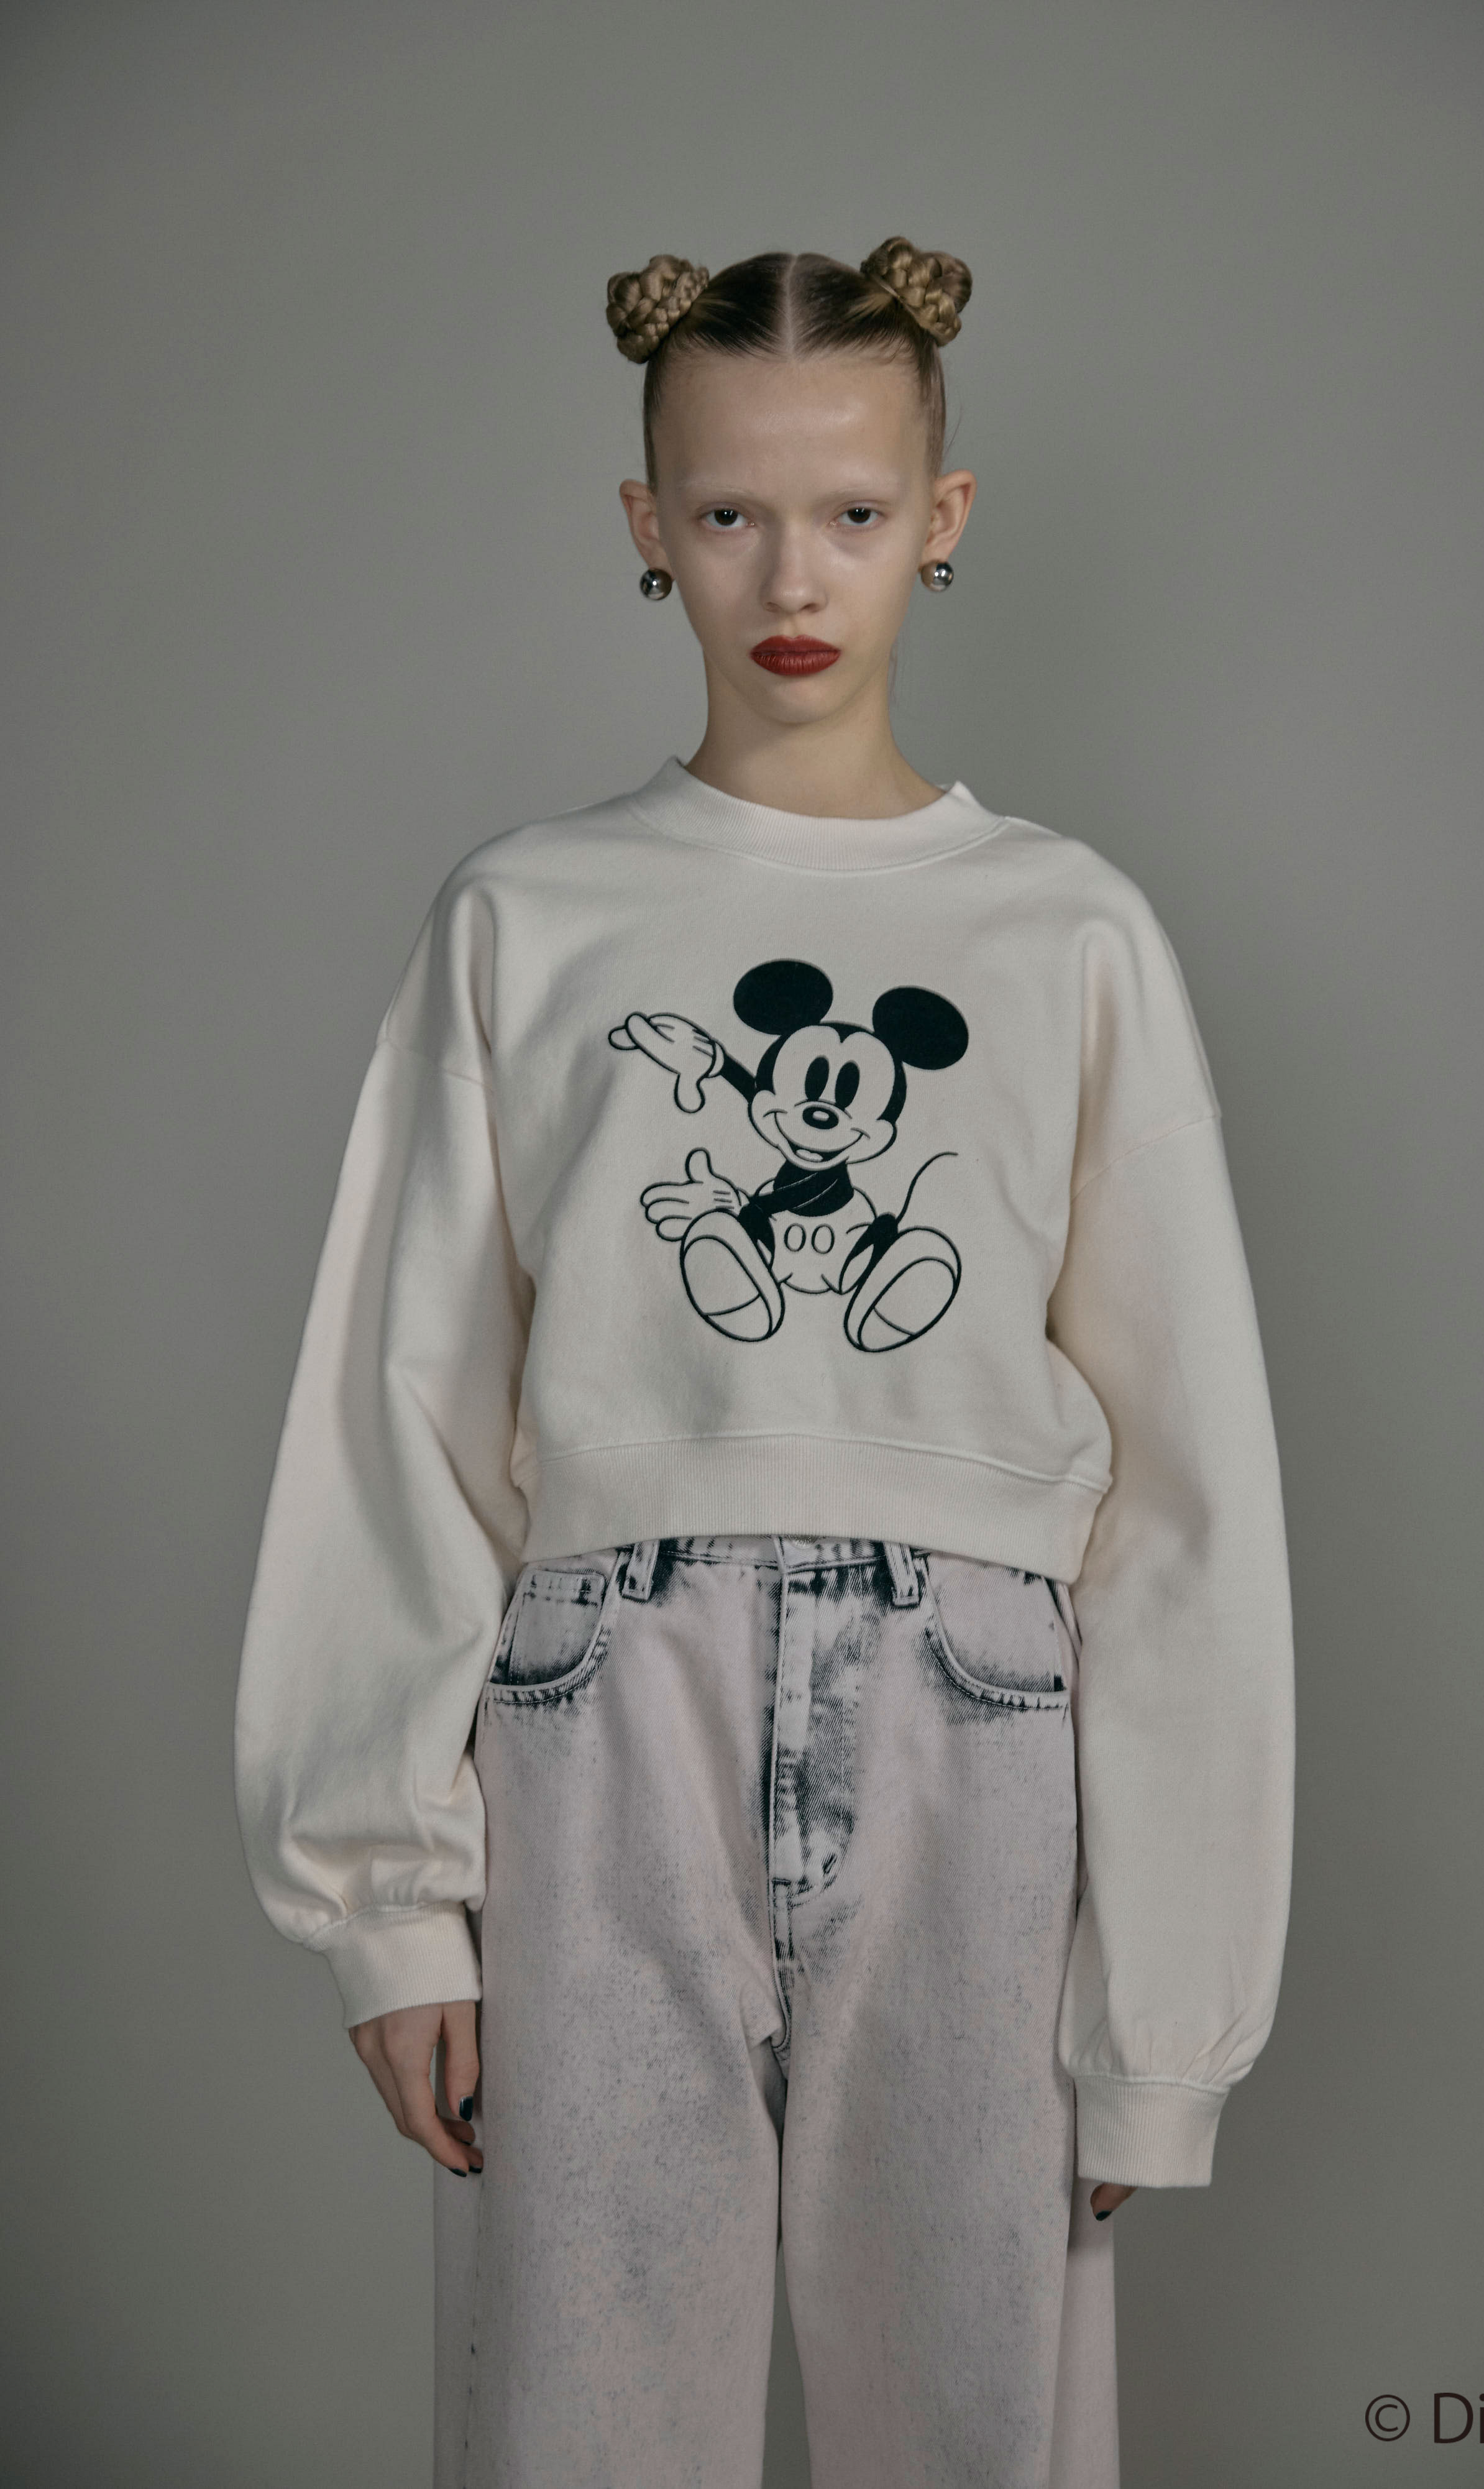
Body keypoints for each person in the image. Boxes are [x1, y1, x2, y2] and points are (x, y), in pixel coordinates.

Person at [233, 237, 1295, 2489]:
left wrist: (1166, 2020)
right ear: (647, 524)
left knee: (980, 2439)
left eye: (850, 511)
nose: (789, 578)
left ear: (944, 517)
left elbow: (1189, 1484)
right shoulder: (529, 915)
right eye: (726, 512)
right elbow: (401, 1414)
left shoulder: (1068, 930)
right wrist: (390, 1909)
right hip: (601, 1720)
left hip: (979, 1730)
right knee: (583, 2438)